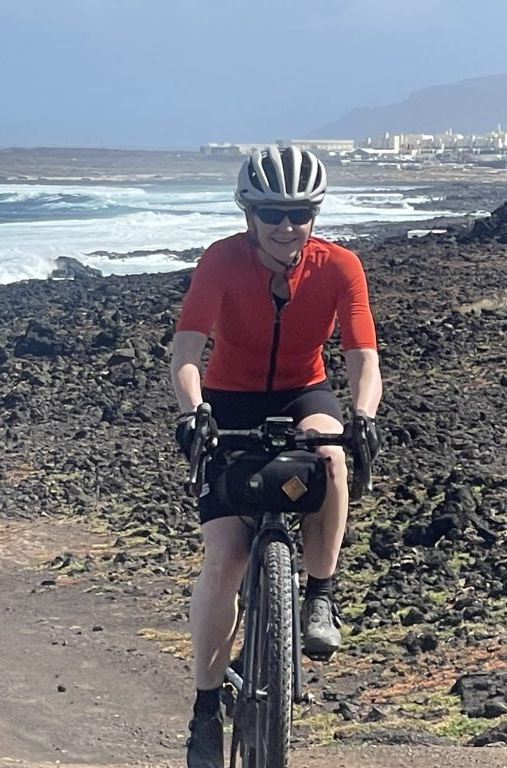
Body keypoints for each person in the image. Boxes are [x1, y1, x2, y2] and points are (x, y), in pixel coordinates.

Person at [169, 145, 382, 768]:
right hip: (229, 399)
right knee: (226, 557)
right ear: (249, 214)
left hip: (302, 391)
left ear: (315, 214)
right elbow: (186, 351)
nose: (287, 226)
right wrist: (194, 411)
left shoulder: (339, 266)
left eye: (300, 213)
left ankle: (320, 594)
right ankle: (204, 712)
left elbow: (362, 356)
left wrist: (364, 415)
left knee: (331, 456)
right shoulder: (221, 260)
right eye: (272, 213)